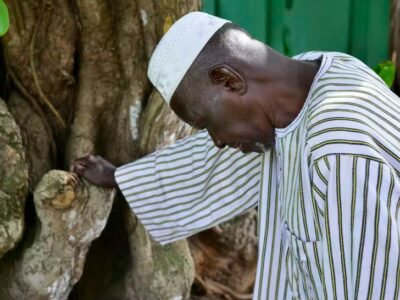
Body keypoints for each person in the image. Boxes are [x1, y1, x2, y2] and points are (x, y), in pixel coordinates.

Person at [71, 12, 400, 299]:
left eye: (206, 124)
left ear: (228, 79)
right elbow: (210, 162)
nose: (215, 141)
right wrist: (123, 177)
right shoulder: (313, 78)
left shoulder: (342, 153)